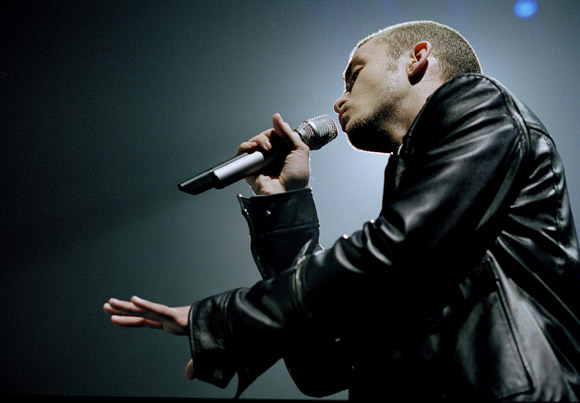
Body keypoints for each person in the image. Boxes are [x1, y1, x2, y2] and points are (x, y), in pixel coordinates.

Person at [104, 21, 580, 401]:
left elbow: (393, 250)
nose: (339, 99)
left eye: (354, 75)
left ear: (417, 58)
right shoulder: (414, 190)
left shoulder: (478, 101)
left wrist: (225, 322)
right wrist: (282, 202)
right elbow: (321, 367)